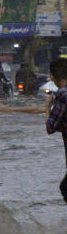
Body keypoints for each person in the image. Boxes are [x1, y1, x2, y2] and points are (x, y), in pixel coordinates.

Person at [45, 57, 67, 203]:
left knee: (65, 188)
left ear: (52, 76)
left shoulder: (62, 95)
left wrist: (47, 107)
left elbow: (51, 127)